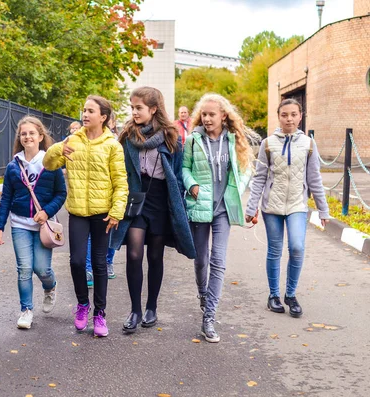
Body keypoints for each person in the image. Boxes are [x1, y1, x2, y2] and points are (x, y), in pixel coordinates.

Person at [110, 87, 196, 334]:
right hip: (136, 201)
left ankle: (151, 307)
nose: (134, 112)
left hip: (161, 201)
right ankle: (135, 310)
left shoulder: (171, 137)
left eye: (139, 107)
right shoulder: (127, 136)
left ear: (153, 109)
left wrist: (179, 200)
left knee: (155, 256)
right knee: (134, 254)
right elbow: (121, 168)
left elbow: (178, 174)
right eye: (132, 107)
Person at [44, 95, 128, 337]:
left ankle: (100, 313)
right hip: (78, 211)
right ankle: (82, 305)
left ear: (103, 117)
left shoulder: (112, 145)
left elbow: (121, 182)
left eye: (91, 110)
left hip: (103, 213)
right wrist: (58, 148)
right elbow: (49, 164)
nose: (85, 114)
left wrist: (116, 211)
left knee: (100, 264)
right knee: (77, 261)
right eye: (84, 110)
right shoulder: (72, 140)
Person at [245, 98, 329, 318]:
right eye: (284, 114)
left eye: (293, 114)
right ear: (278, 116)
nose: (289, 119)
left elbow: (314, 179)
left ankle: (290, 295)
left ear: (300, 116)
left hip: (297, 205)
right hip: (271, 206)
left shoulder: (309, 144)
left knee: (297, 247)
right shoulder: (267, 144)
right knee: (274, 250)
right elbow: (259, 178)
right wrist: (251, 206)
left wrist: (323, 209)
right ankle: (273, 295)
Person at [182, 93, 254, 343]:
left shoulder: (234, 141)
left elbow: (245, 170)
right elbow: (184, 168)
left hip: (224, 208)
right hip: (200, 206)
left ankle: (209, 317)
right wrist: (191, 185)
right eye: (204, 114)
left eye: (212, 114)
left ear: (224, 116)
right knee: (201, 259)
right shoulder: (193, 140)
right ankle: (203, 293)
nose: (207, 118)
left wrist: (238, 188)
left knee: (218, 261)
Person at [0, 116, 67, 329]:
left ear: (40, 137)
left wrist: (46, 212)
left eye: (32, 133)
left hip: (43, 226)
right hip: (19, 224)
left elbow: (60, 194)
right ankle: (26, 310)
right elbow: (6, 197)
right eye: (23, 134)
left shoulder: (51, 164)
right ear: (20, 138)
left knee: (42, 269)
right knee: (24, 268)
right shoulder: (13, 166)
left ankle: (50, 287)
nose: (27, 137)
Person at [85, 112, 119, 285]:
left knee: (110, 235)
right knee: (91, 238)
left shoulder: (115, 143)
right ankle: (88, 270)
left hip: (110, 199)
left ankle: (109, 262)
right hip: (90, 201)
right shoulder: (83, 140)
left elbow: (120, 175)